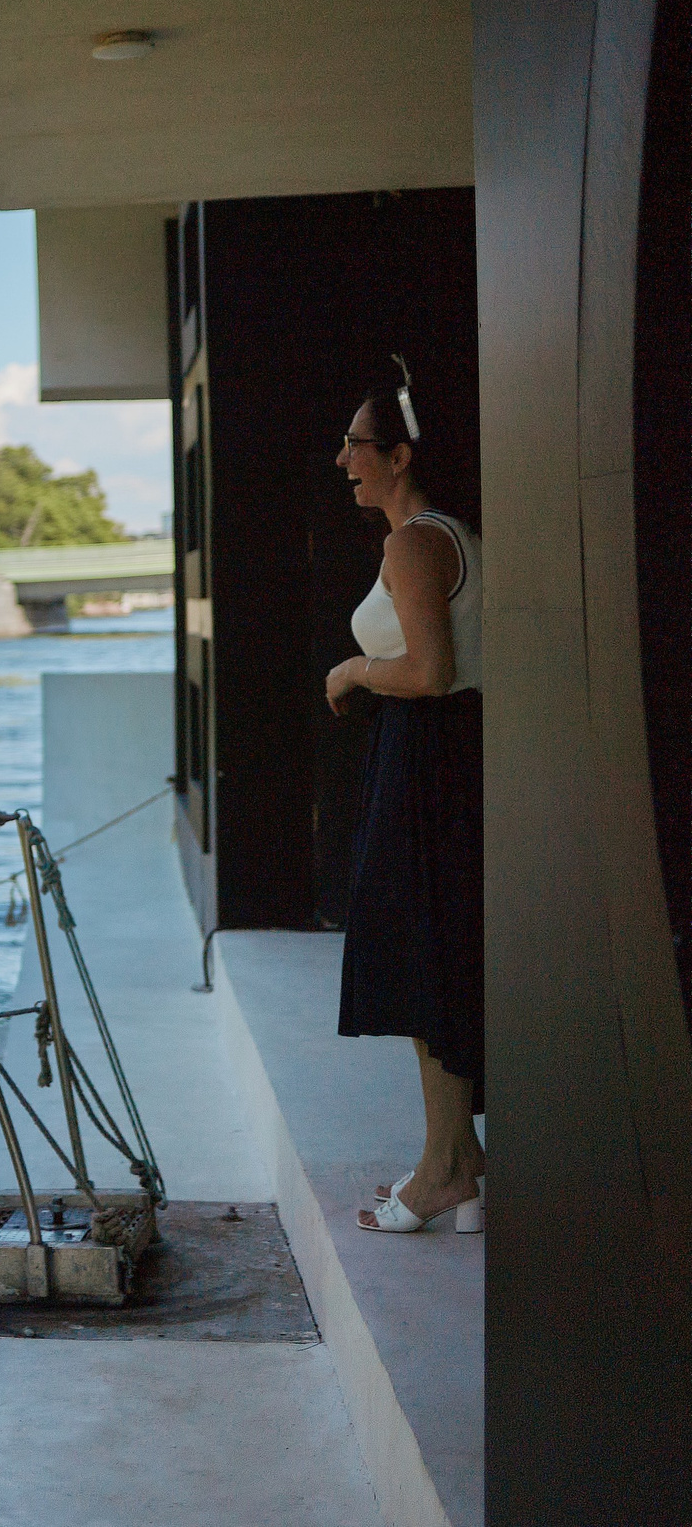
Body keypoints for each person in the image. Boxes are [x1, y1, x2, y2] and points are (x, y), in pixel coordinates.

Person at [324, 380, 484, 1234]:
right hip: (435, 753)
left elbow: (429, 670)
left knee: (429, 958)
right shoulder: (435, 536)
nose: (343, 459)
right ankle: (459, 1160)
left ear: (399, 456)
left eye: (356, 444)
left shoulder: (416, 542)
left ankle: (444, 1171)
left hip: (430, 756)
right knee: (434, 955)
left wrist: (351, 672)